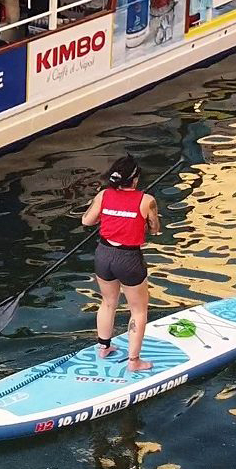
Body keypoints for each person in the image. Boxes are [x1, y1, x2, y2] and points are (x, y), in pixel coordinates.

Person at [79, 156, 161, 374]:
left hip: (103, 254)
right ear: (134, 180)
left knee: (108, 302)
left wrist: (108, 215)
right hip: (129, 259)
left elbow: (86, 221)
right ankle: (134, 362)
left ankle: (103, 347)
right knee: (138, 310)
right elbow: (154, 229)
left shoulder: (103, 195)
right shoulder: (147, 200)